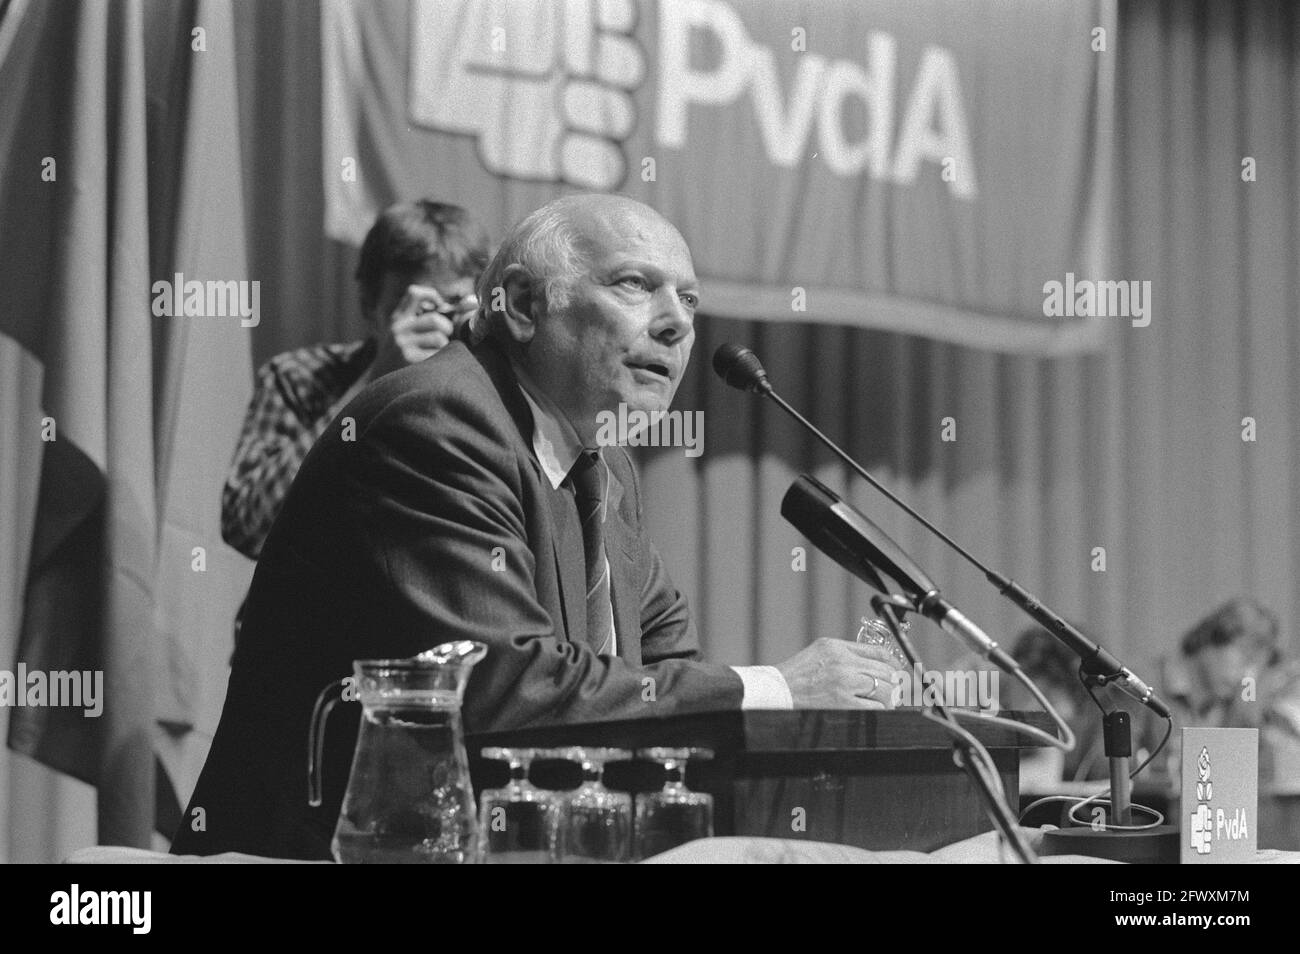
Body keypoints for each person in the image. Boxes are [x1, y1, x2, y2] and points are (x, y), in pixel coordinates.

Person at [173, 194, 898, 859]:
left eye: (689, 298)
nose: (677, 323)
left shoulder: (605, 466)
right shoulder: (437, 423)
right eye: (635, 284)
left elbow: (661, 675)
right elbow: (503, 686)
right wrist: (777, 686)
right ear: (522, 303)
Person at [220, 199, 490, 561]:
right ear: (368, 303)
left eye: (451, 304)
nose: (433, 325)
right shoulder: (301, 378)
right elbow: (246, 526)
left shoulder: (494, 392)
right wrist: (373, 386)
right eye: (419, 308)